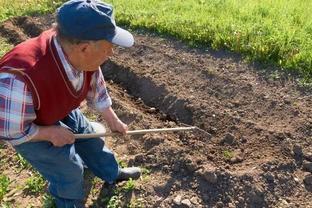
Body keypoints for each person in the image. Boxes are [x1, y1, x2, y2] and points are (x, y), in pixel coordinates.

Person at [0, 0, 141, 207]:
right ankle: (68, 201)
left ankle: (112, 173)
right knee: (68, 169)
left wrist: (112, 119)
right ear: (84, 48)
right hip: (27, 127)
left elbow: (96, 84)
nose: (111, 53)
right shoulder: (18, 78)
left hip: (55, 107)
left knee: (92, 141)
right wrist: (49, 133)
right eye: (108, 47)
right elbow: (9, 130)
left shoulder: (84, 56)